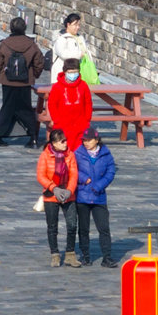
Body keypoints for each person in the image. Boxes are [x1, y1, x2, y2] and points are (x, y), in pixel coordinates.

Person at [0, 16, 46, 148]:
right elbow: (39, 62)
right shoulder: (31, 45)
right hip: (24, 82)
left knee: (6, 109)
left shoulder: (5, 44)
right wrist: (34, 74)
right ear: (24, 28)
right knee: (26, 109)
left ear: (11, 28)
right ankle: (33, 138)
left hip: (8, 82)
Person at [74, 127, 117, 267]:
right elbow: (72, 169)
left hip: (99, 196)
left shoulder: (106, 154)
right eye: (84, 140)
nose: (86, 143)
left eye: (89, 140)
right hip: (82, 195)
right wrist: (83, 178)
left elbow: (110, 171)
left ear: (97, 140)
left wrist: (99, 186)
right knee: (83, 228)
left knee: (104, 227)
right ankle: (85, 256)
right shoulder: (78, 153)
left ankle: (107, 257)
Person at [37, 128, 80, 267]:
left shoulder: (70, 155)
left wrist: (69, 190)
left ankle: (70, 254)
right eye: (62, 141)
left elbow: (74, 175)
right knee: (52, 226)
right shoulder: (45, 155)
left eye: (65, 140)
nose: (65, 143)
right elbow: (41, 175)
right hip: (51, 195)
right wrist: (53, 188)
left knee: (72, 224)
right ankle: (55, 254)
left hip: (68, 194)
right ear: (54, 143)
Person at [48, 58, 92, 151]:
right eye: (70, 72)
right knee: (63, 147)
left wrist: (87, 118)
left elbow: (88, 102)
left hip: (80, 123)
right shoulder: (57, 87)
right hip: (62, 123)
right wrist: (56, 119)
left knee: (79, 148)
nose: (73, 75)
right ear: (65, 72)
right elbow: (52, 104)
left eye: (75, 72)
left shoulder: (83, 85)